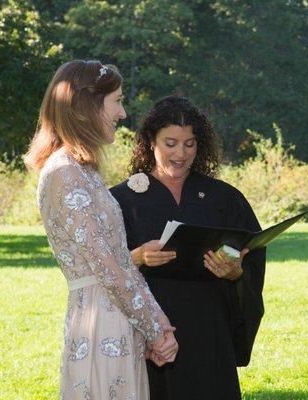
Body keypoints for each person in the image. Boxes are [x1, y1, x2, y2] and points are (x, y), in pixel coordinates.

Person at [24, 60, 178, 399]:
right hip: (100, 324)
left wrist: (155, 321)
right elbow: (108, 269)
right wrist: (155, 330)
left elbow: (119, 262)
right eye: (118, 101)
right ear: (87, 106)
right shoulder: (64, 173)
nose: (123, 113)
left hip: (116, 318)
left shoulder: (83, 171)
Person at [110, 95, 266, 400]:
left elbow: (251, 257)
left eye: (190, 143)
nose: (181, 154)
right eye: (170, 143)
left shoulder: (225, 199)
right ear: (150, 142)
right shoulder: (122, 201)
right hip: (152, 335)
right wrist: (137, 257)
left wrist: (236, 273)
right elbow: (103, 267)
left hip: (210, 331)